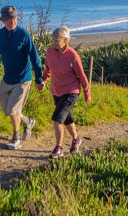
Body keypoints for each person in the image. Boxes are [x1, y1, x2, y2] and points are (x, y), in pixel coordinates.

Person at [0, 5, 44, 150]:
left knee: (13, 111)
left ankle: (16, 138)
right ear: (3, 21)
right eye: (8, 19)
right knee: (8, 110)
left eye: (13, 18)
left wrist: (39, 78)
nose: (12, 21)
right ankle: (28, 122)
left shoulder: (24, 34)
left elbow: (35, 57)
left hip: (23, 80)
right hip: (7, 80)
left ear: (16, 18)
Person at [40, 26, 91, 159]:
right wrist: (44, 80)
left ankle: (59, 149)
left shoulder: (72, 55)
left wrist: (87, 92)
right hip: (56, 90)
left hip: (71, 91)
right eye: (53, 40)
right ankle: (76, 139)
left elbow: (81, 75)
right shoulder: (50, 52)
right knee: (67, 118)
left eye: (57, 40)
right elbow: (48, 69)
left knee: (57, 119)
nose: (54, 43)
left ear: (65, 40)